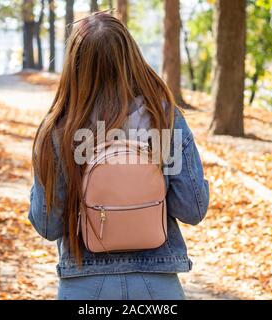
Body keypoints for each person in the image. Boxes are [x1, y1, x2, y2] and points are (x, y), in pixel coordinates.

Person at [29, 12, 209, 300]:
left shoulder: (60, 128)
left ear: (75, 65)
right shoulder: (162, 117)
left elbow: (48, 225)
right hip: (156, 284)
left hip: (83, 285)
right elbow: (191, 209)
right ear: (131, 56)